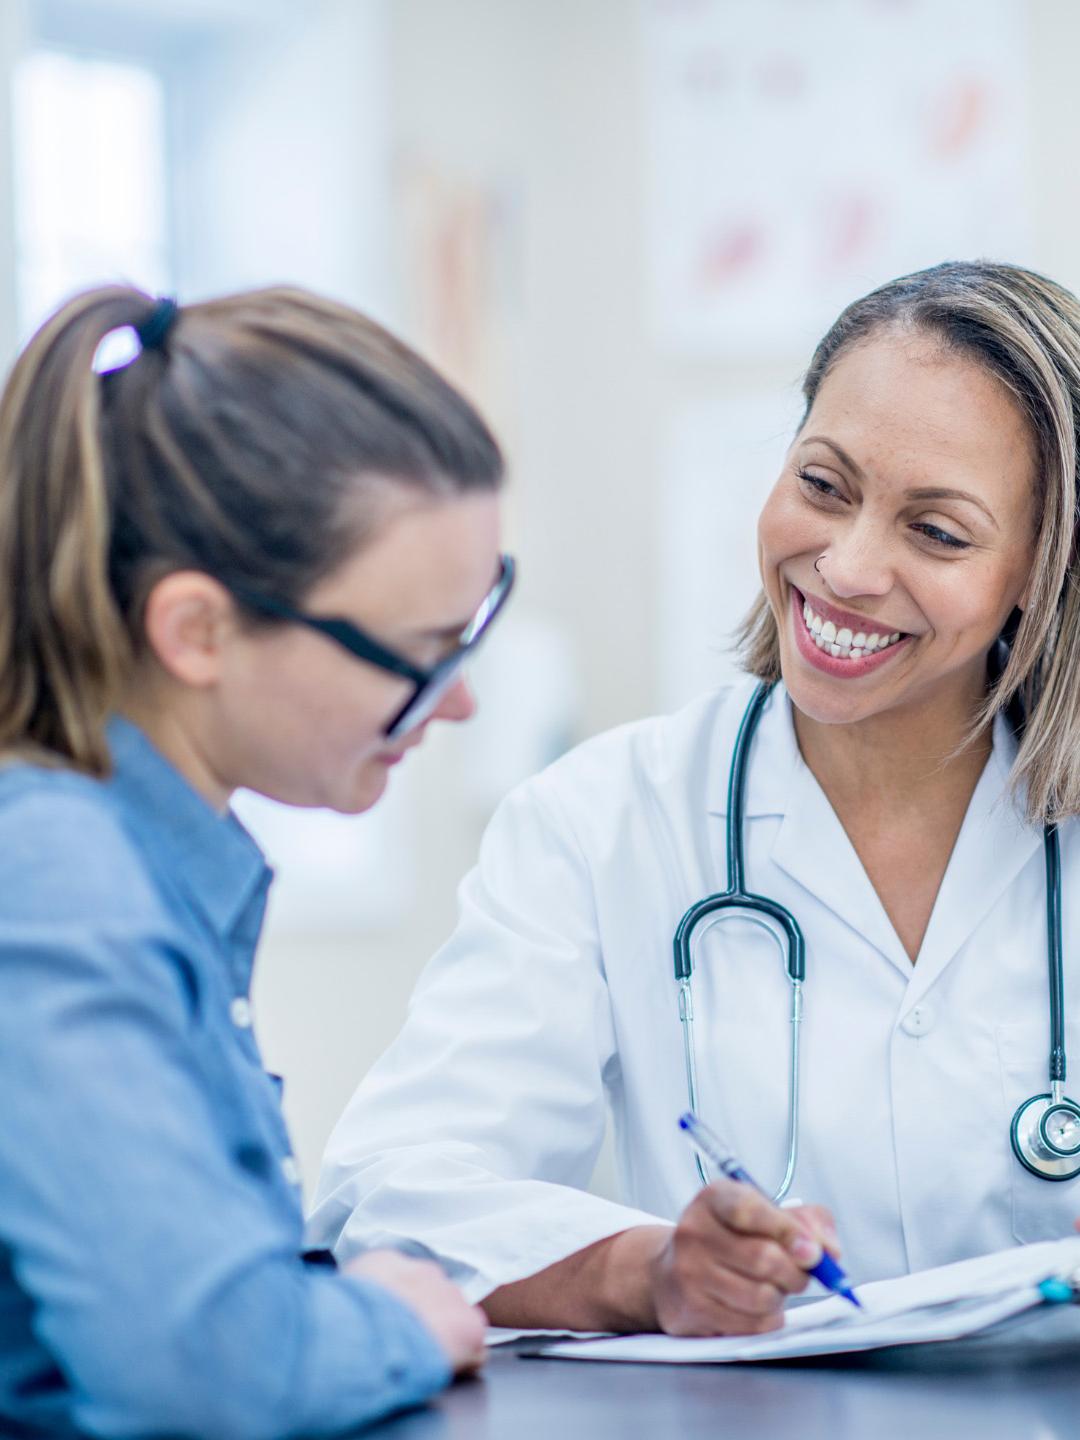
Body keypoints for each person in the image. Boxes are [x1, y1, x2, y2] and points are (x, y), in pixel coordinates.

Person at [311, 259, 1080, 1339]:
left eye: (937, 531)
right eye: (824, 485)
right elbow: (391, 1197)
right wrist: (649, 1268)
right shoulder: (602, 823)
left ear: (1044, 573)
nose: (849, 566)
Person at [0, 284, 513, 1437]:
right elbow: (206, 1363)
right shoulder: (54, 882)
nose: (461, 700)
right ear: (197, 632)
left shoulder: (130, 862)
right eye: (421, 654)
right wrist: (392, 1321)